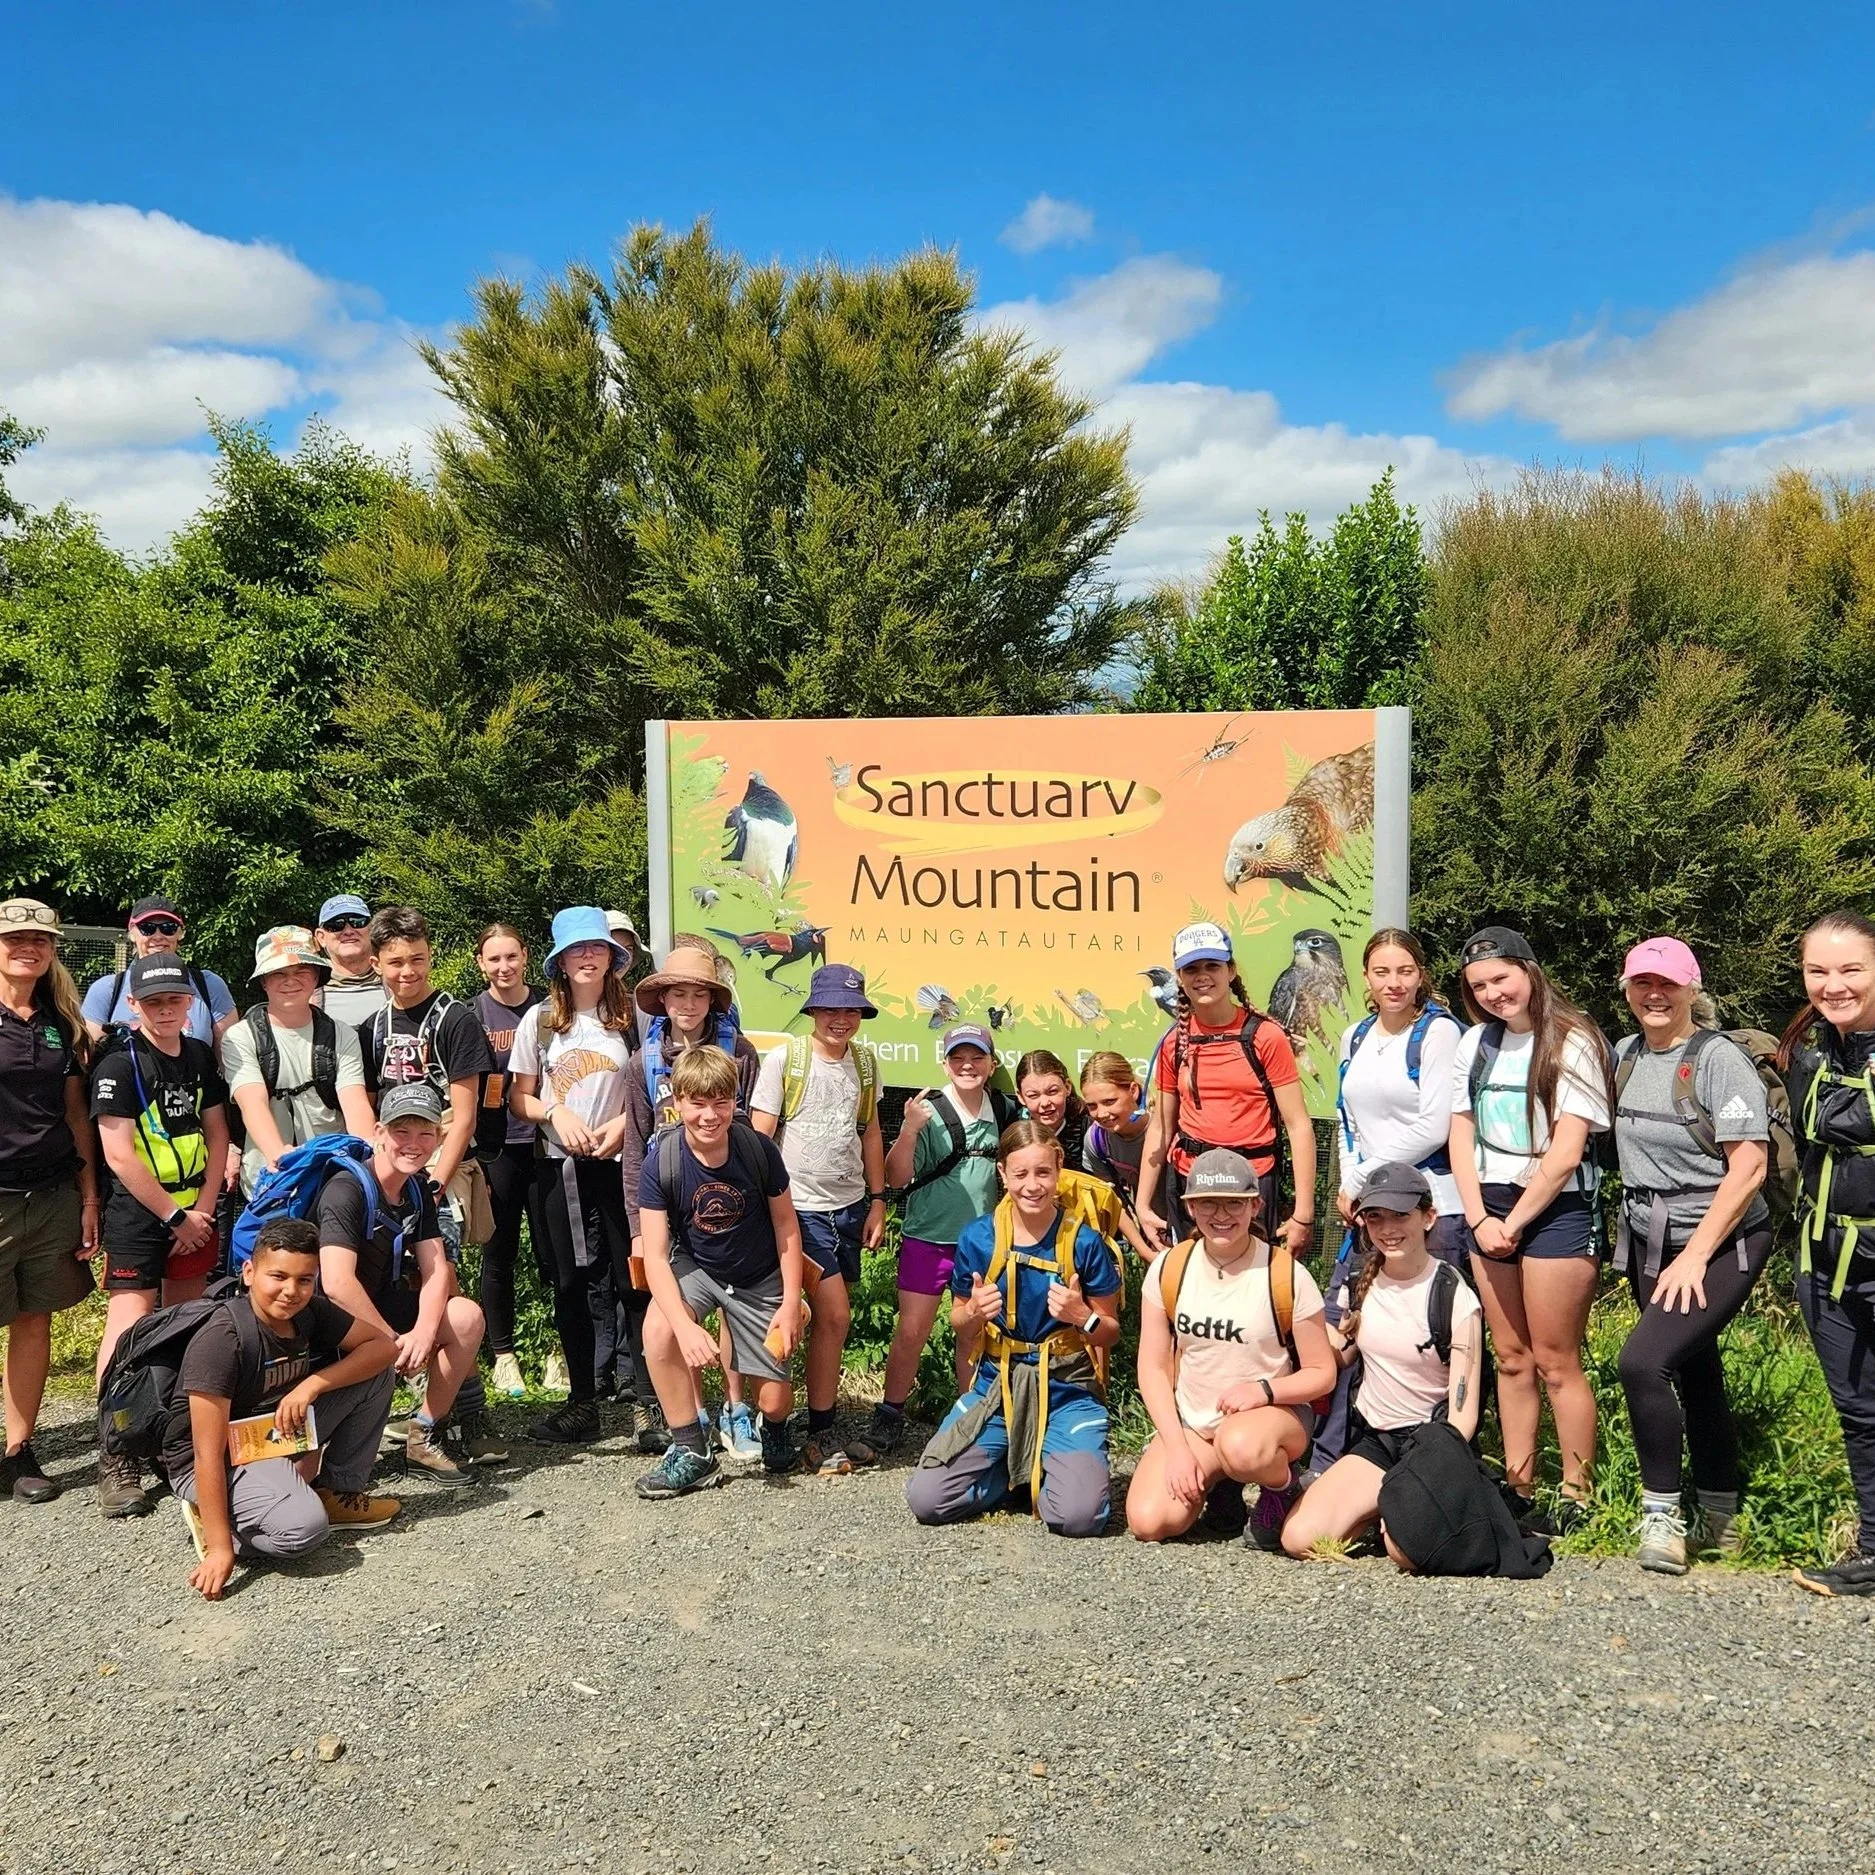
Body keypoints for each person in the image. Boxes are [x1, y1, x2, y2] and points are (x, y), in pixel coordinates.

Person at [1610, 937, 1771, 1575]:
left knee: (1643, 1363)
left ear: (1690, 989)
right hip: (1652, 1234)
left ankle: (1663, 1518)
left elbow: (1750, 1166)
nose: (1654, 995)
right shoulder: (1623, 1056)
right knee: (1694, 1371)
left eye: (1667, 984)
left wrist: (1693, 1257)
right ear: (1626, 991)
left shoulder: (1717, 1060)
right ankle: (1722, 1516)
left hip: (1725, 1236)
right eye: (1642, 984)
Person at [1449, 926, 1611, 1529]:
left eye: (1502, 978)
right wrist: (1477, 1217)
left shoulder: (1573, 1040)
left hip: (1556, 1207)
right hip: (1487, 1206)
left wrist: (1510, 1224)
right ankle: (1519, 1486)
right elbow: (1459, 1132)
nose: (1493, 993)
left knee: (1554, 1358)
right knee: (1511, 1356)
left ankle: (1577, 1495)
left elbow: (1568, 1151)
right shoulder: (1476, 1043)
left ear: (1530, 971)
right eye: (1479, 985)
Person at [164, 1218, 402, 1602]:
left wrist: (312, 1385)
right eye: (278, 1276)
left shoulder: (309, 1312)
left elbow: (383, 1349)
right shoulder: (222, 1340)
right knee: (304, 1531)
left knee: (373, 1375)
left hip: (269, 1434)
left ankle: (336, 1491)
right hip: (213, 1460)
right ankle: (214, 1519)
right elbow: (206, 1453)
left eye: (305, 1280)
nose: (291, 1291)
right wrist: (221, 1548)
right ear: (248, 1272)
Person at [905, 1121, 1121, 1537]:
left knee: (1077, 1518)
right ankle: (1019, 1476)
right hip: (997, 1388)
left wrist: (1082, 1317)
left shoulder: (1085, 1242)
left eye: (1043, 1172)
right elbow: (959, 1323)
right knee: (927, 1500)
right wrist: (974, 1315)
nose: (1033, 1185)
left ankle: (1047, 1467)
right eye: (1020, 1174)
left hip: (1067, 1391)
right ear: (1002, 1174)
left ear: (1059, 1170)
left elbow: (1108, 1331)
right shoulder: (979, 1239)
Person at [1125, 1149, 1336, 1549]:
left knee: (1241, 1446)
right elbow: (1152, 1368)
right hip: (1196, 1424)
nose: (1221, 1215)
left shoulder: (1285, 1273)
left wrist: (1264, 1391)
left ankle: (1283, 1487)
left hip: (1270, 1418)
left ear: (1255, 1205)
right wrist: (1176, 1447)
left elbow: (1322, 1372)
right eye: (1208, 1202)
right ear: (1190, 1207)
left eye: (1235, 1203)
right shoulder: (1169, 1267)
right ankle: (1222, 1487)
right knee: (1149, 1521)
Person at [1279, 1162, 1485, 1565]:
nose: (1387, 1229)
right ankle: (1377, 1507)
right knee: (1297, 1538)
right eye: (1375, 1217)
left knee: (1406, 1553)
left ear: (1428, 1217)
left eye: (1400, 1216)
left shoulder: (1454, 1295)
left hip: (1432, 1446)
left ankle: (1389, 1513)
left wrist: (1427, 1471)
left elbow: (1463, 1418)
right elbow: (1339, 1353)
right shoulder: (1361, 1279)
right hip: (1376, 1442)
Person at [89, 953, 232, 1518]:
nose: (166, 1009)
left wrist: (200, 1209)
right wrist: (175, 1218)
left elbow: (218, 1135)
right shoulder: (117, 1065)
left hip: (194, 1205)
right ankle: (116, 1451)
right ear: (133, 1005)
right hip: (141, 1211)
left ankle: (169, 1437)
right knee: (128, 1326)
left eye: (174, 999)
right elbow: (118, 1154)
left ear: (189, 1003)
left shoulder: (198, 1055)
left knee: (185, 1325)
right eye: (153, 1001)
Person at [633, 1045, 806, 1497]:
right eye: (697, 1103)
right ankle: (692, 1449)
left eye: (721, 1102)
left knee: (774, 1400)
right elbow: (654, 1254)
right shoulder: (662, 1162)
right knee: (658, 1330)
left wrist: (790, 1303)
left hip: (758, 1272)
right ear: (677, 1102)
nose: (710, 1115)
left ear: (735, 1102)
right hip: (699, 1268)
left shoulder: (757, 1150)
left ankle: (774, 1427)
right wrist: (684, 1328)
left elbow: (786, 1225)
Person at [621, 942, 762, 1462]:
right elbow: (634, 1147)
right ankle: (696, 1415)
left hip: (733, 1199)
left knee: (732, 1302)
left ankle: (736, 1408)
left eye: (698, 993)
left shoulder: (741, 1053)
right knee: (678, 1304)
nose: (686, 1003)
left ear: (712, 999)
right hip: (668, 1202)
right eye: (676, 992)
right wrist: (637, 1224)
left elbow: (762, 1133)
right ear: (661, 998)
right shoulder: (641, 1064)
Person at [507, 907, 638, 1447]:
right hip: (556, 1169)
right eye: (577, 950)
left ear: (612, 957)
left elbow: (662, 1088)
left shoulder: (636, 1019)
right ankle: (583, 1401)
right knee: (570, 1284)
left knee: (636, 1281)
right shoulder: (537, 1022)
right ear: (559, 962)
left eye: (598, 948)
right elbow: (518, 1098)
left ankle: (650, 1402)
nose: (588, 957)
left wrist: (627, 1126)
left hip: (622, 1168)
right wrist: (554, 1113)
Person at [312, 1083, 486, 1487]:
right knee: (309, 1474)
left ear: (438, 1138)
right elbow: (337, 1283)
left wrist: (424, 1332)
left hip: (380, 1305)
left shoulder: (417, 1189)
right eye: (400, 1132)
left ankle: (422, 1434)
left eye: (425, 1133)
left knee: (465, 1316)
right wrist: (390, 1341)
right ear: (378, 1133)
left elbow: (437, 1268)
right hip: (329, 1320)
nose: (413, 1143)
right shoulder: (346, 1189)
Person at [751, 964, 886, 1474]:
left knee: (826, 1321)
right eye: (830, 1007)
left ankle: (811, 1426)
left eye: (851, 1008)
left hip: (848, 1207)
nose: (841, 1018)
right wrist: (759, 1208)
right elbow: (761, 1139)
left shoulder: (867, 1065)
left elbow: (870, 1134)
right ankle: (788, 1426)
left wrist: (877, 1200)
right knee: (828, 1314)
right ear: (812, 1010)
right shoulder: (788, 1058)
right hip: (797, 1209)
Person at [1780, 910, 1875, 1596]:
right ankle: (1872, 1550)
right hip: (1825, 1255)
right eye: (1818, 970)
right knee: (1859, 1412)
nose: (1832, 984)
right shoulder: (1810, 1048)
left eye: (1850, 969)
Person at [869, 1023, 1019, 1456]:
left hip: (980, 1243)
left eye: (976, 1057)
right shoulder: (927, 1109)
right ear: (945, 1063)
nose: (967, 1066)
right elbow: (897, 1176)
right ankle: (890, 1414)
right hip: (927, 1239)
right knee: (911, 1331)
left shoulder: (1005, 1110)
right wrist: (910, 1128)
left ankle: (970, 1416)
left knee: (973, 1331)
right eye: (958, 1057)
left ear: (992, 1065)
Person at [1136, 922, 1317, 1258]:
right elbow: (1161, 1126)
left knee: (1252, 1293)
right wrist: (1143, 1205)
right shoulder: (1174, 1043)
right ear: (1179, 977)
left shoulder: (1265, 1037)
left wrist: (1302, 1215)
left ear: (1231, 971)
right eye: (1191, 968)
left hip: (1250, 1188)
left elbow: (1298, 1125)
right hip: (1191, 1186)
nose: (1202, 976)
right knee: (1191, 1288)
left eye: (1212, 966)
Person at [0, 898, 99, 1504]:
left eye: (39, 939)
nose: (27, 947)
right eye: (14, 938)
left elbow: (75, 1113)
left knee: (34, 1318)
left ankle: (18, 1449)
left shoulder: (60, 1020)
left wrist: (89, 1195)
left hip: (52, 1192)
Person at [1334, 929, 1468, 1264]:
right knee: (1358, 1314)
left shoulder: (1439, 1032)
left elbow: (1434, 1127)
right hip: (1373, 1208)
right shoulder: (1354, 1037)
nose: (1394, 983)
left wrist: (1361, 1180)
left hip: (1431, 1209)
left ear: (1421, 975)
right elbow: (1347, 1122)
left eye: (1405, 971)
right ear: (1366, 976)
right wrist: (1352, 1183)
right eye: (1381, 972)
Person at [220, 927, 376, 1199]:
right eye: (278, 973)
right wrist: (282, 1158)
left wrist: (371, 1158)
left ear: (316, 977)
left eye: (301, 971)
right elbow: (252, 1103)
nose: (290, 981)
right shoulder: (240, 1037)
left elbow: (356, 1104)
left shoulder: (342, 1035)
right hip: (268, 1183)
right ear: (263, 982)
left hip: (331, 1182)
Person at [472, 922, 546, 1399]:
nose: (504, 967)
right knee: (498, 1253)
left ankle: (559, 1351)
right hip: (496, 1145)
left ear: (525, 957)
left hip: (546, 1141)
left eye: (511, 957)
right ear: (481, 963)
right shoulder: (471, 1013)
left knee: (555, 1254)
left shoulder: (548, 1007)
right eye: (494, 959)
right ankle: (503, 1355)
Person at [80, 897, 237, 1049]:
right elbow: (89, 1059)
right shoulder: (107, 989)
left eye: (168, 928)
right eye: (147, 928)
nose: (158, 936)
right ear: (132, 933)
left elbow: (229, 1060)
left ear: (180, 933)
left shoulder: (209, 985)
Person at [313, 894, 387, 1030]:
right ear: (321, 937)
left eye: (357, 921)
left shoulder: (397, 981)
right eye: (336, 925)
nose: (348, 931)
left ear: (372, 929)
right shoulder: (307, 990)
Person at [1016, 1049, 1090, 1169]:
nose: (1045, 1103)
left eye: (1052, 1092)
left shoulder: (1088, 1131)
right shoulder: (1015, 1132)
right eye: (1033, 1095)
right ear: (1021, 1097)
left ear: (1067, 1087)